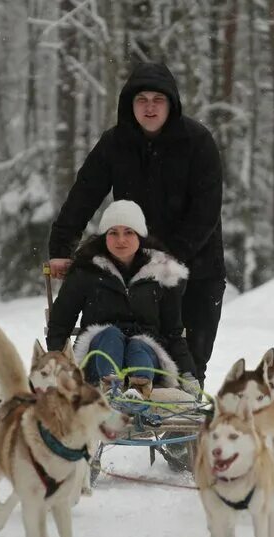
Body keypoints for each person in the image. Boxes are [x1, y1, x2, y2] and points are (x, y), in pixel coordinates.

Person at [48, 62, 226, 388]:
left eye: (158, 99)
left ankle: (181, 423)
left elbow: (206, 212)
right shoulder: (115, 144)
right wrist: (61, 248)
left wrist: (170, 258)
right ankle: (123, 397)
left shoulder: (198, 142)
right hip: (135, 268)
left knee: (189, 356)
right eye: (141, 99)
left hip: (198, 267)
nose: (149, 107)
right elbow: (83, 197)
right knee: (135, 340)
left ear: (171, 104)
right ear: (129, 105)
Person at [46, 200, 199, 399]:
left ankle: (139, 388)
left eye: (129, 232)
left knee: (140, 345)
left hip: (146, 355)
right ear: (104, 237)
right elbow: (59, 324)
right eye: (113, 233)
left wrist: (188, 373)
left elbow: (173, 332)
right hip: (97, 355)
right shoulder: (86, 272)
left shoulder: (160, 273)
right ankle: (111, 387)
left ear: (140, 236)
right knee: (110, 334)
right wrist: (59, 365)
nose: (121, 240)